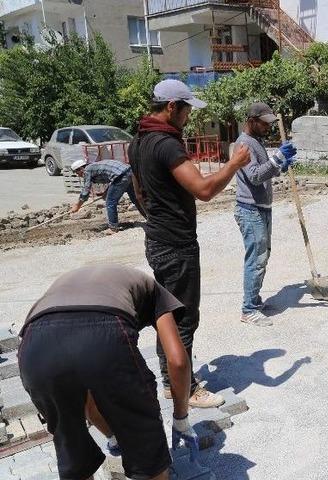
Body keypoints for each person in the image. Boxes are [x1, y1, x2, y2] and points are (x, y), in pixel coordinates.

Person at [129, 79, 251, 408]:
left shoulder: (138, 140)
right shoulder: (166, 145)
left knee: (165, 314)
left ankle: (171, 383)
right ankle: (187, 389)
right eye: (186, 110)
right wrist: (234, 164)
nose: (188, 117)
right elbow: (204, 190)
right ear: (172, 107)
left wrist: (157, 219)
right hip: (176, 245)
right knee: (183, 318)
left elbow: (139, 192)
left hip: (157, 239)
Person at [18, 265, 197, 480]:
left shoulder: (70, 281)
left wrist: (114, 436)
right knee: (149, 459)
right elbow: (178, 361)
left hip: (34, 349)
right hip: (104, 331)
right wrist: (181, 420)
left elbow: (90, 386)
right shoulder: (156, 291)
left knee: (74, 454)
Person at [233, 102, 297, 326]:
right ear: (251, 121)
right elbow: (254, 176)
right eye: (264, 124)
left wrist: (281, 165)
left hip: (261, 208)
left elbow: (265, 170)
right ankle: (248, 309)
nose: (268, 128)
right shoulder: (243, 144)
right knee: (256, 259)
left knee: (263, 256)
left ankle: (254, 300)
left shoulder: (255, 141)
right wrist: (278, 157)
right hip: (250, 210)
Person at [69, 158, 142, 234]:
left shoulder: (87, 170)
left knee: (110, 202)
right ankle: (148, 217)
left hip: (121, 176)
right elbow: (112, 178)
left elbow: (86, 190)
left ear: (81, 169)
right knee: (136, 198)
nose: (78, 175)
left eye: (77, 173)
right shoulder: (93, 167)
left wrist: (77, 206)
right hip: (128, 172)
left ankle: (113, 228)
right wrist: (106, 193)